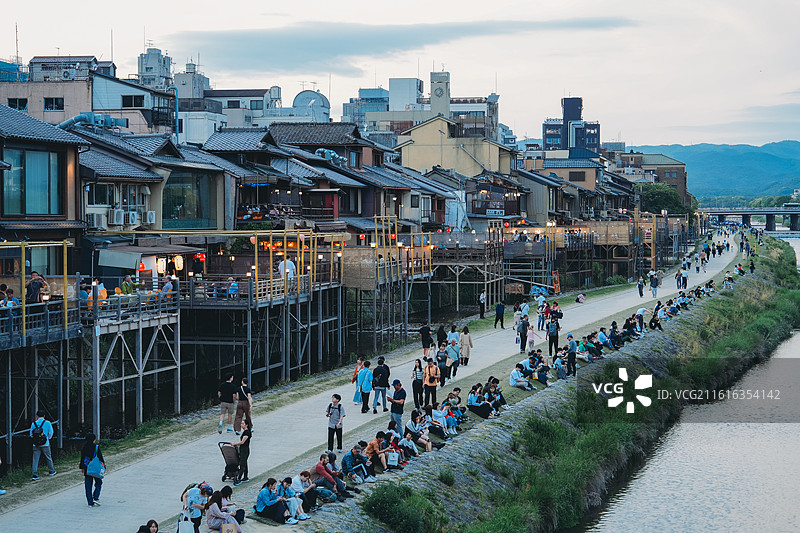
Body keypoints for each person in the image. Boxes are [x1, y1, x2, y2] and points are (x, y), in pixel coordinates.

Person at [30, 410, 56, 481]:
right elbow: (51, 433)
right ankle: (51, 471)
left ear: (37, 416)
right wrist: (47, 438)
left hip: (35, 444)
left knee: (35, 459)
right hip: (45, 443)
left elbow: (31, 435)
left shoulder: (33, 424)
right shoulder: (47, 423)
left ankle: (35, 474)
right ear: (44, 416)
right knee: (48, 457)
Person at [78, 433, 102, 507]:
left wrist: (82, 467)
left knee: (88, 486)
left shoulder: (84, 447)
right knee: (99, 482)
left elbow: (82, 459)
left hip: (87, 468)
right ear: (94, 439)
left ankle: (90, 502)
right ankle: (95, 496)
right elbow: (100, 458)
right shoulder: (96, 448)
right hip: (95, 469)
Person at [230, 419, 251, 486]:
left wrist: (234, 443)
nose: (241, 425)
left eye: (242, 423)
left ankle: (238, 478)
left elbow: (242, 442)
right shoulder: (245, 432)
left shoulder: (247, 432)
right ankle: (245, 477)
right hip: (243, 450)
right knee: (244, 463)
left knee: (242, 464)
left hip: (245, 450)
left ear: (246, 425)